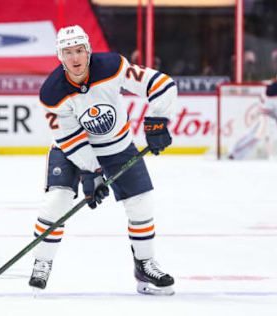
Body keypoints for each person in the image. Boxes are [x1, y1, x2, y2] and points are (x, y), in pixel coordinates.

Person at [28, 25, 177, 296]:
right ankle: (42, 261)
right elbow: (70, 138)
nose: (75, 58)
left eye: (79, 50)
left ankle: (144, 263)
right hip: (72, 150)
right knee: (57, 201)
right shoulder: (52, 92)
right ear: (60, 56)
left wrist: (157, 121)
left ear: (89, 50)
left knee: (141, 204)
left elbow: (161, 84)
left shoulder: (112, 66)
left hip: (118, 146)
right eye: (68, 52)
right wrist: (92, 171)